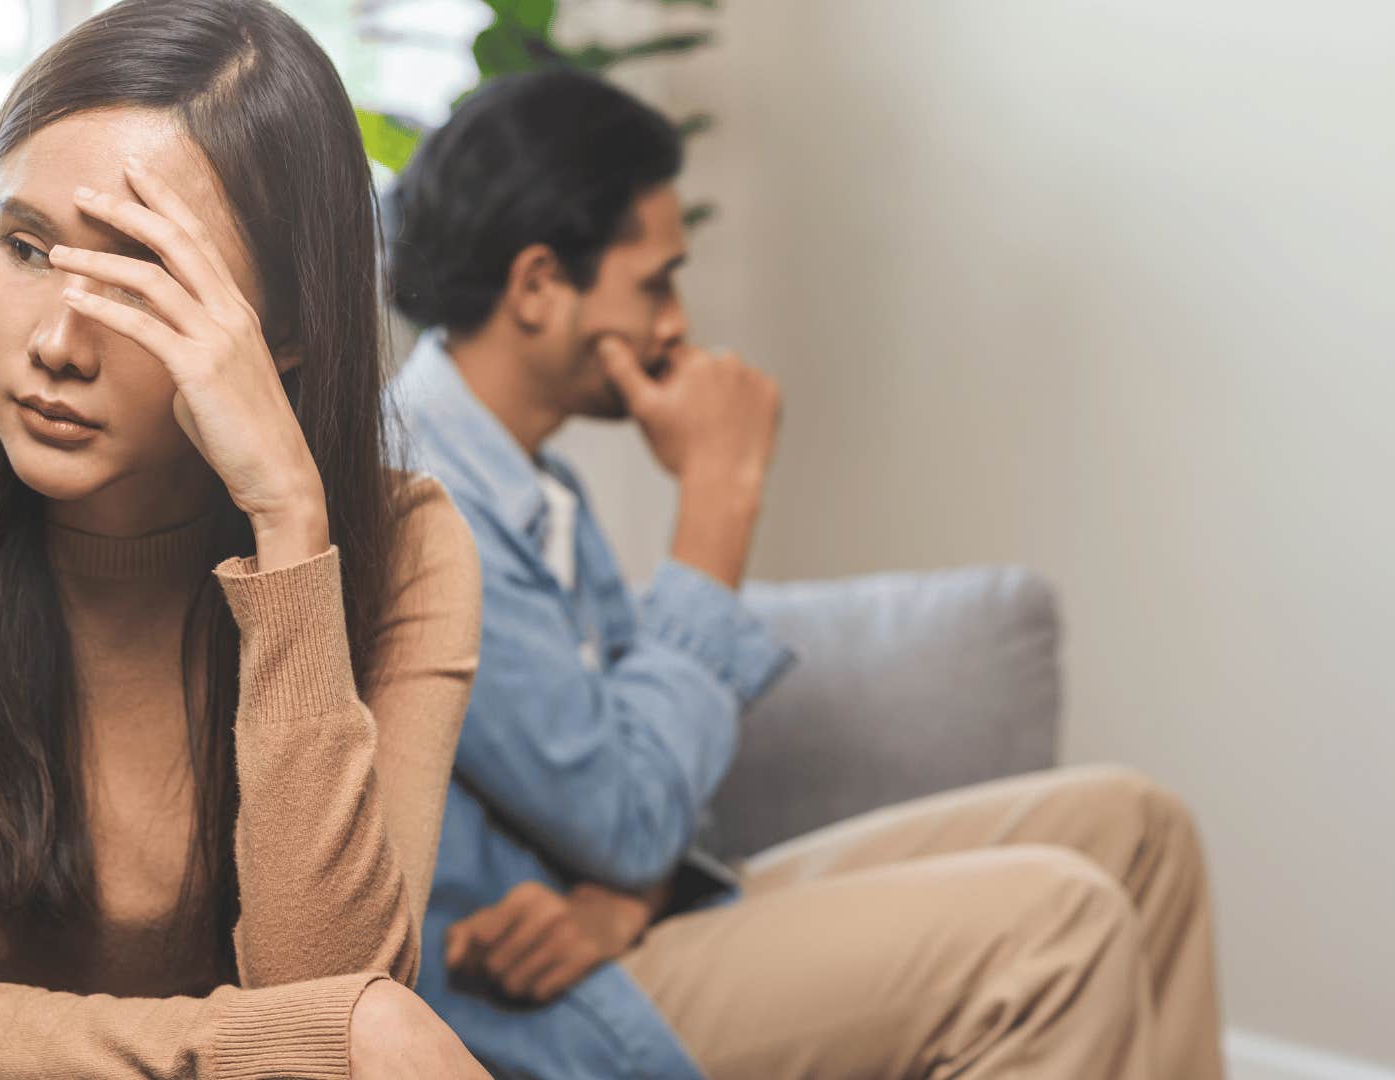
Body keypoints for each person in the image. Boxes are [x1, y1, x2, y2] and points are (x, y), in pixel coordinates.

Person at [387, 67, 1225, 1079]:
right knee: (1059, 924)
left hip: (623, 930)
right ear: (536, 287)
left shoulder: (535, 482)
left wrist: (630, 896)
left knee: (1135, 828)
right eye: (654, 281)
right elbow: (630, 818)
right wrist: (719, 500)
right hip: (547, 1013)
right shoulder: (426, 500)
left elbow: (655, 812)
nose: (677, 326)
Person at [0, 2, 492, 1076]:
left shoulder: (409, 551)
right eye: (25, 244)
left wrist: (287, 530)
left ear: (286, 331)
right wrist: (341, 1031)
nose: (54, 344)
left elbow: (321, 1002)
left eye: (141, 279)